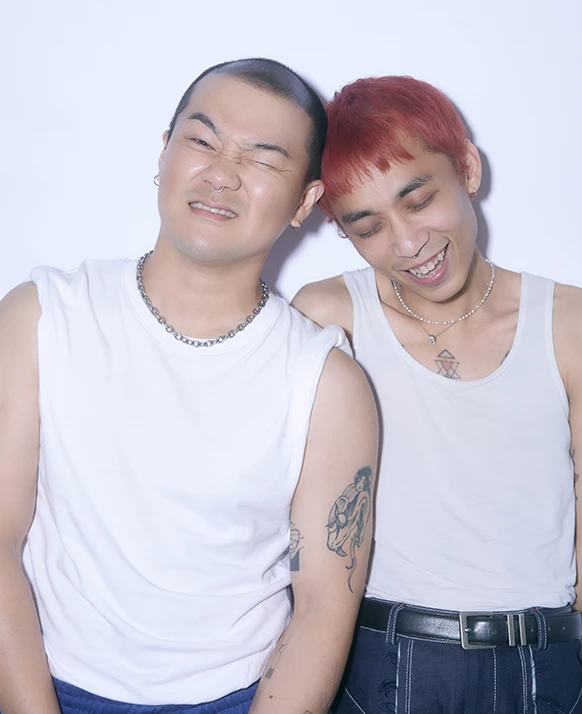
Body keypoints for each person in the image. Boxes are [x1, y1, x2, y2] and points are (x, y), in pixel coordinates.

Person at [0, 58, 378, 714]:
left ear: (305, 202)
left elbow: (323, 606)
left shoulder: (327, 383)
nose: (222, 173)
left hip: (236, 698)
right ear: (164, 152)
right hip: (45, 685)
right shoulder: (43, 316)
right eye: (202, 140)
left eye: (262, 159)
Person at [293, 74, 582, 713]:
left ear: (468, 168)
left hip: (541, 662)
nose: (408, 244)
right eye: (368, 226)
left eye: (419, 199)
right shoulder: (331, 317)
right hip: (383, 661)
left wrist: (547, 636)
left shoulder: (576, 324)